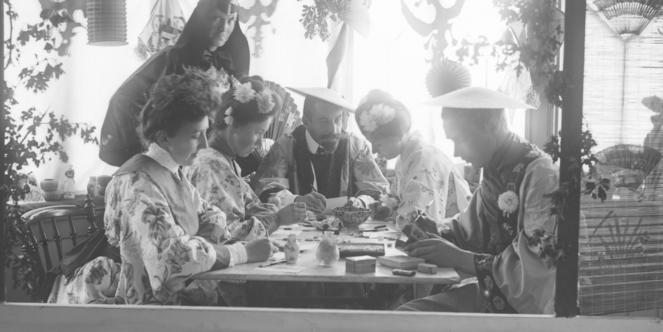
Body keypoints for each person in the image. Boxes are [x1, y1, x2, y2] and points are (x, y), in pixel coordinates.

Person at [49, 71, 271, 305]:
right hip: (126, 299)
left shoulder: (172, 170)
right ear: (164, 138)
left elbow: (214, 215)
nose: (204, 144)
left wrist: (194, 245)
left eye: (205, 133)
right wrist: (241, 252)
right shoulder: (137, 182)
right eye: (195, 135)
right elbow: (171, 260)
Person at [398, 86, 559, 315]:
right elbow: (470, 229)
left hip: (528, 306)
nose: (455, 152)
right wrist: (435, 231)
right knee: (405, 315)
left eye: (461, 139)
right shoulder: (494, 164)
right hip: (492, 290)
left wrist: (457, 256)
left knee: (408, 320)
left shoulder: (543, 175)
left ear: (492, 126)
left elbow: (535, 269)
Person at [98, 0, 251, 167]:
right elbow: (123, 100)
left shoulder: (231, 65)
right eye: (216, 18)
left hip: (212, 158)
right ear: (202, 18)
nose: (223, 27)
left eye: (230, 20)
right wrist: (152, 144)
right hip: (176, 157)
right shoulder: (172, 58)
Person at [190, 77, 308, 233]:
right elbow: (222, 233)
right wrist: (278, 219)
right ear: (235, 125)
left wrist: (273, 207)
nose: (260, 142)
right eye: (258, 132)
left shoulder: (225, 161)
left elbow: (252, 208)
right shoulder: (211, 166)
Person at [255, 86, 389, 210]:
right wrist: (296, 200)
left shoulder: (355, 146)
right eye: (324, 121)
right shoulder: (285, 147)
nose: (333, 129)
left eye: (337, 120)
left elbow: (378, 190)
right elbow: (265, 190)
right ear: (306, 122)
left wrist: (360, 202)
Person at [354, 89, 471, 225]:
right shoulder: (405, 155)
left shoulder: (423, 160)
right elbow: (400, 200)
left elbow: (418, 221)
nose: (374, 150)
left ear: (396, 136)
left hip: (451, 232)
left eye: (378, 143)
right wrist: (386, 208)